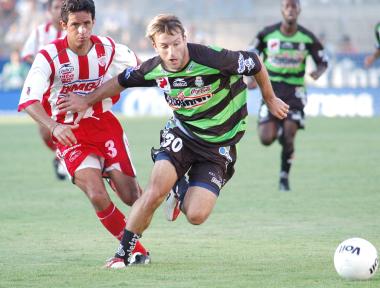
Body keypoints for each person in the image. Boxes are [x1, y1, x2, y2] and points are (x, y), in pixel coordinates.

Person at [58, 14, 289, 268]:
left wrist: (270, 98)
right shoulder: (154, 67)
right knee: (154, 193)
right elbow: (120, 81)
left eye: (176, 44)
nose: (172, 52)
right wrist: (86, 100)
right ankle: (123, 253)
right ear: (155, 47)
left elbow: (254, 62)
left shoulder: (212, 58)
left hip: (217, 147)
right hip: (182, 136)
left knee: (196, 215)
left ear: (185, 39)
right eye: (164, 46)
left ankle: (180, 187)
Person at [18, 0, 150, 265]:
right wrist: (54, 126)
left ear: (93, 23)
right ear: (63, 25)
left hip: (105, 125)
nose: (82, 31)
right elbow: (28, 100)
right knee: (96, 194)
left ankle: (122, 179)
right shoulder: (48, 56)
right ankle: (136, 251)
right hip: (70, 132)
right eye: (75, 25)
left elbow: (139, 70)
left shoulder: (108, 48)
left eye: (86, 24)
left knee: (133, 198)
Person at [249, 0, 328, 191]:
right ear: (282, 10)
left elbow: (323, 61)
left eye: (294, 6)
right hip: (271, 89)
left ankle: (284, 177)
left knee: (290, 135)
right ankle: (277, 129)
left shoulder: (307, 37)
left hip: (295, 92)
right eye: (287, 6)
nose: (291, 10)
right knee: (266, 139)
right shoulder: (266, 34)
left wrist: (318, 71)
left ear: (299, 10)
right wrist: (251, 78)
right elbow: (251, 54)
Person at [20, 0, 68, 180]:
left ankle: (69, 157)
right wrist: (43, 68)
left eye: (63, 7)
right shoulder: (41, 32)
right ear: (49, 11)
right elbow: (27, 54)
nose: (59, 11)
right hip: (44, 90)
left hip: (66, 88)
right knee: (44, 131)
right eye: (56, 7)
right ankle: (60, 156)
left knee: (70, 124)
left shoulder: (73, 30)